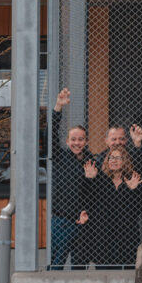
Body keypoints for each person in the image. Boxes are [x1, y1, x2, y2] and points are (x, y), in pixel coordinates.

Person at [50, 88, 93, 270]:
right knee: (56, 263)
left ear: (86, 142)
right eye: (73, 139)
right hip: (61, 220)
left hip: (83, 222)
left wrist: (91, 178)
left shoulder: (93, 161)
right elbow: (51, 135)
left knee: (80, 264)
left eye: (80, 139)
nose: (77, 143)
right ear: (67, 141)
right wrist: (58, 106)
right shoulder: (60, 156)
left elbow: (95, 193)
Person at [80, 147, 142, 268]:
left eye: (117, 158)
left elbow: (140, 207)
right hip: (103, 237)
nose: (113, 160)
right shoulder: (100, 179)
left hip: (126, 236)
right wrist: (89, 179)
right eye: (111, 158)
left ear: (125, 160)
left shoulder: (131, 180)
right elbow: (87, 200)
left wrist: (133, 190)